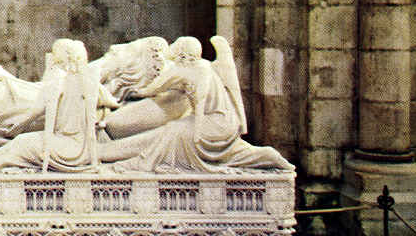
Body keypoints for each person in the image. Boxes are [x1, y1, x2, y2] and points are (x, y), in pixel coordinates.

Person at [100, 36, 295, 172]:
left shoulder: (181, 70)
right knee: (235, 152)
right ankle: (271, 157)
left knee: (171, 133)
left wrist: (123, 97)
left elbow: (150, 90)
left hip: (206, 125)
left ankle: (134, 161)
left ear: (181, 53)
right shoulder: (208, 66)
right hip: (226, 125)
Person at [0, 39, 118, 172]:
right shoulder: (90, 85)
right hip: (73, 146)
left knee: (23, 144)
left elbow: (36, 111)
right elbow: (113, 103)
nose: (53, 58)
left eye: (56, 55)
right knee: (22, 141)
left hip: (69, 149)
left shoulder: (60, 84)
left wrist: (18, 126)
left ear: (65, 57)